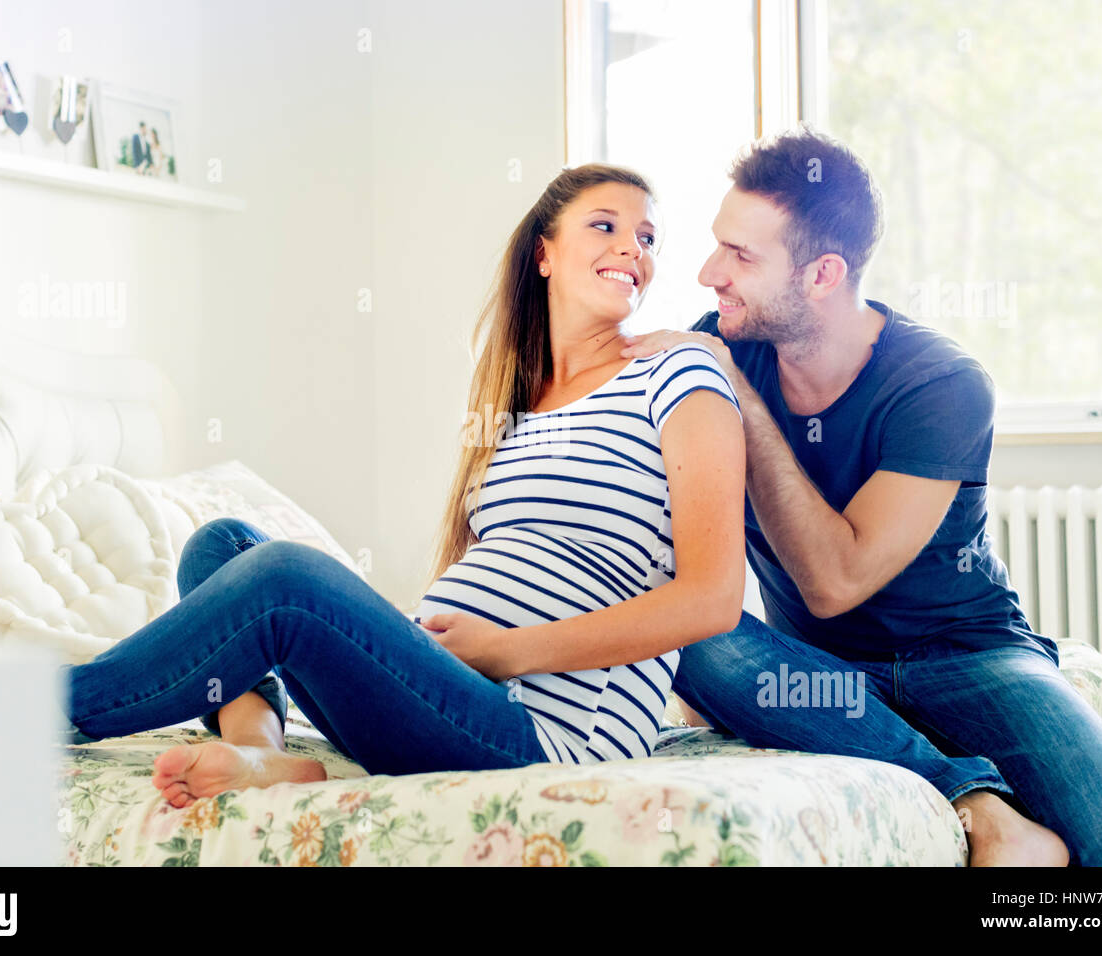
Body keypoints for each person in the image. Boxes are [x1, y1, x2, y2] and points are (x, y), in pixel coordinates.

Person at [62, 163, 746, 806]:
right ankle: (259, 751)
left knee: (285, 579)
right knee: (220, 545)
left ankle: (49, 706)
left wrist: (506, 650)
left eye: (647, 236)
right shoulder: (516, 403)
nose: (634, 248)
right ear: (544, 253)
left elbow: (712, 599)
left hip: (543, 734)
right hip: (448, 695)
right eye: (606, 225)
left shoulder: (679, 376)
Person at [621, 125, 1102, 866]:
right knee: (683, 628)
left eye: (741, 256)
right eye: (719, 244)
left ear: (822, 275)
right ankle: (981, 806)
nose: (710, 273)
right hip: (820, 673)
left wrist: (741, 402)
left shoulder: (940, 385)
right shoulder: (717, 344)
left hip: (968, 659)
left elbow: (835, 582)